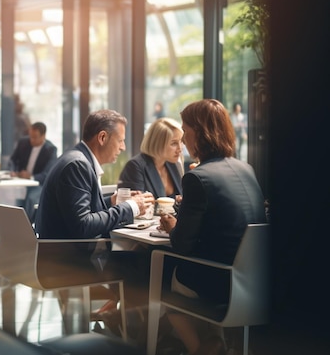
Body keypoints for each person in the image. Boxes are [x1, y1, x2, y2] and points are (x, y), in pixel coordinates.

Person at [158, 99, 266, 355]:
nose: (183, 140)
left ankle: (199, 349)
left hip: (218, 283)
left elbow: (182, 244)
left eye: (186, 131)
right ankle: (213, 341)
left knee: (165, 272)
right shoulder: (247, 169)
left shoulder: (197, 177)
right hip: (254, 282)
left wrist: (174, 225)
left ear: (200, 132)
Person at [34, 109, 155, 335]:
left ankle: (117, 319)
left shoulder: (76, 159)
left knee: (139, 259)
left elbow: (78, 214)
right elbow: (82, 225)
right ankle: (137, 336)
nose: (122, 147)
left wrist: (110, 202)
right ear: (102, 137)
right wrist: (130, 208)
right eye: (120, 140)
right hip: (67, 261)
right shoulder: (78, 165)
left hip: (59, 254)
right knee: (146, 264)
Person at [118, 117, 183, 202]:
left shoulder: (174, 163)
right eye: (174, 143)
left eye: (181, 141)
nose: (180, 148)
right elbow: (135, 206)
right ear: (158, 143)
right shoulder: (135, 166)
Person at [9, 121, 58, 221]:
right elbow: (12, 160)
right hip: (20, 181)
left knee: (31, 198)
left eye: (35, 137)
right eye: (30, 136)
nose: (32, 140)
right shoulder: (23, 143)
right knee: (7, 195)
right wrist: (13, 171)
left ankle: (26, 227)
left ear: (43, 136)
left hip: (39, 184)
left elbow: (47, 174)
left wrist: (30, 177)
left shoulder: (51, 150)